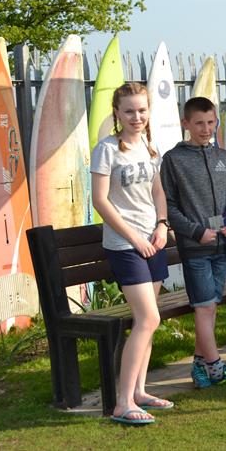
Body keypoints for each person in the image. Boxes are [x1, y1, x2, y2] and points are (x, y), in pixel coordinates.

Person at [91, 82, 172, 424]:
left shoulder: (150, 148)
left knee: (147, 322)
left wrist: (162, 225)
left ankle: (139, 391)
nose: (137, 117)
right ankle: (122, 403)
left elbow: (157, 192)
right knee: (148, 318)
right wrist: (135, 239)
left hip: (152, 241)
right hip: (125, 246)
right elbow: (100, 201)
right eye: (129, 111)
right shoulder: (107, 149)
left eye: (142, 110)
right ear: (117, 114)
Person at [160, 96, 226, 388]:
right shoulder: (173, 160)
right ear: (185, 124)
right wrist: (195, 231)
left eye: (211, 122)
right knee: (204, 307)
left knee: (210, 305)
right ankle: (216, 369)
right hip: (195, 248)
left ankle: (200, 367)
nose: (205, 129)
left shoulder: (223, 157)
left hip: (221, 247)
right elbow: (169, 206)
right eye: (199, 123)